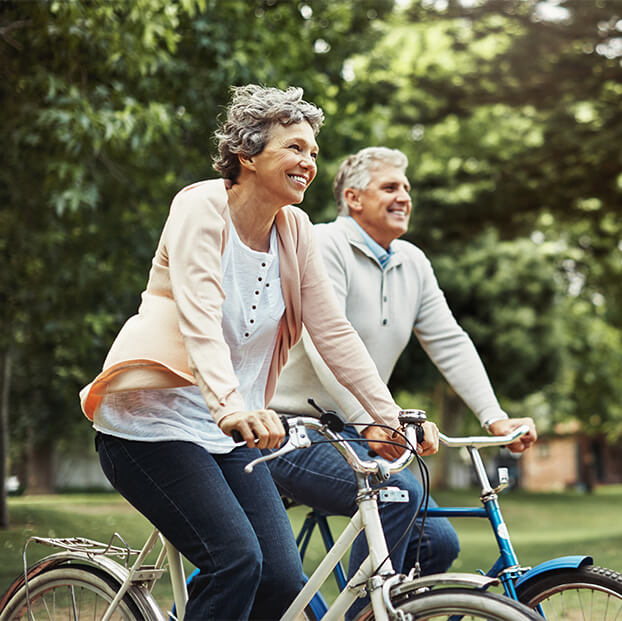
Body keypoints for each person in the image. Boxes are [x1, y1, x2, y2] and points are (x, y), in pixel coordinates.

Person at [79, 88, 436, 621]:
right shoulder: (199, 207)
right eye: (295, 148)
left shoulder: (295, 231)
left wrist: (390, 417)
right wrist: (229, 405)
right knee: (234, 561)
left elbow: (333, 332)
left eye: (313, 153)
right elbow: (199, 313)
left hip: (233, 433)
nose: (308, 163)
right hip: (152, 425)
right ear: (247, 155)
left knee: (283, 581)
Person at [267, 146, 538, 620]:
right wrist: (370, 419)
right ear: (353, 197)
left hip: (356, 430)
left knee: (437, 541)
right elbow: (324, 341)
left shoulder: (411, 261)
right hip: (290, 429)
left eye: (406, 189)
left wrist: (494, 418)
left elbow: (449, 342)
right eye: (390, 187)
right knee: (400, 495)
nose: (404, 197)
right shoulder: (323, 244)